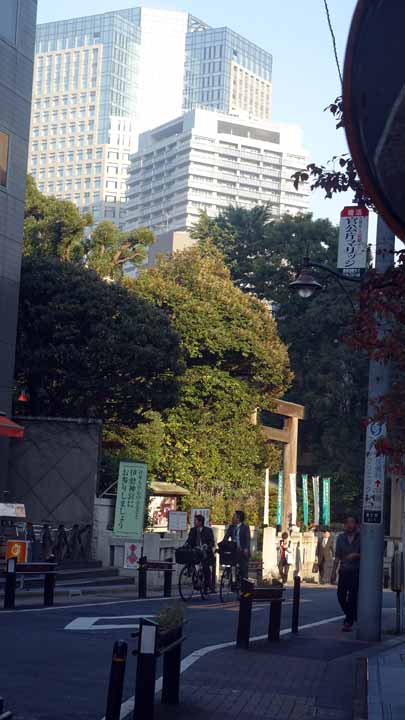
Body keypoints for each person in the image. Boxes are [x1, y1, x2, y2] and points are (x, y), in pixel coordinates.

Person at [331, 515, 361, 632]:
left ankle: (348, 621)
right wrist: (333, 572)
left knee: (353, 597)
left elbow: (368, 554)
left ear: (356, 524)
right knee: (341, 596)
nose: (349, 525)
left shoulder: (361, 537)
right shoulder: (341, 538)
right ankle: (352, 616)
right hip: (343, 570)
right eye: (347, 523)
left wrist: (356, 555)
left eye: (352, 522)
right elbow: (337, 556)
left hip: (356, 571)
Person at [186, 514, 215, 591]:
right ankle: (191, 573)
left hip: (205, 552)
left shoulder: (208, 530)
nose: (194, 522)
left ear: (200, 522)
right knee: (189, 557)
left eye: (195, 521)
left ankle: (207, 585)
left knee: (206, 568)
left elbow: (212, 542)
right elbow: (189, 540)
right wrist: (185, 545)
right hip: (195, 551)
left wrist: (207, 546)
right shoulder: (193, 530)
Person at [223, 510, 250, 579]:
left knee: (243, 569)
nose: (232, 518)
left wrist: (246, 548)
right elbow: (226, 538)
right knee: (229, 565)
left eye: (234, 516)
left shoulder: (245, 527)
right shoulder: (231, 527)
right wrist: (223, 545)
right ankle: (230, 578)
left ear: (238, 518)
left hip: (242, 551)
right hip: (233, 551)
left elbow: (247, 539)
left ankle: (244, 581)